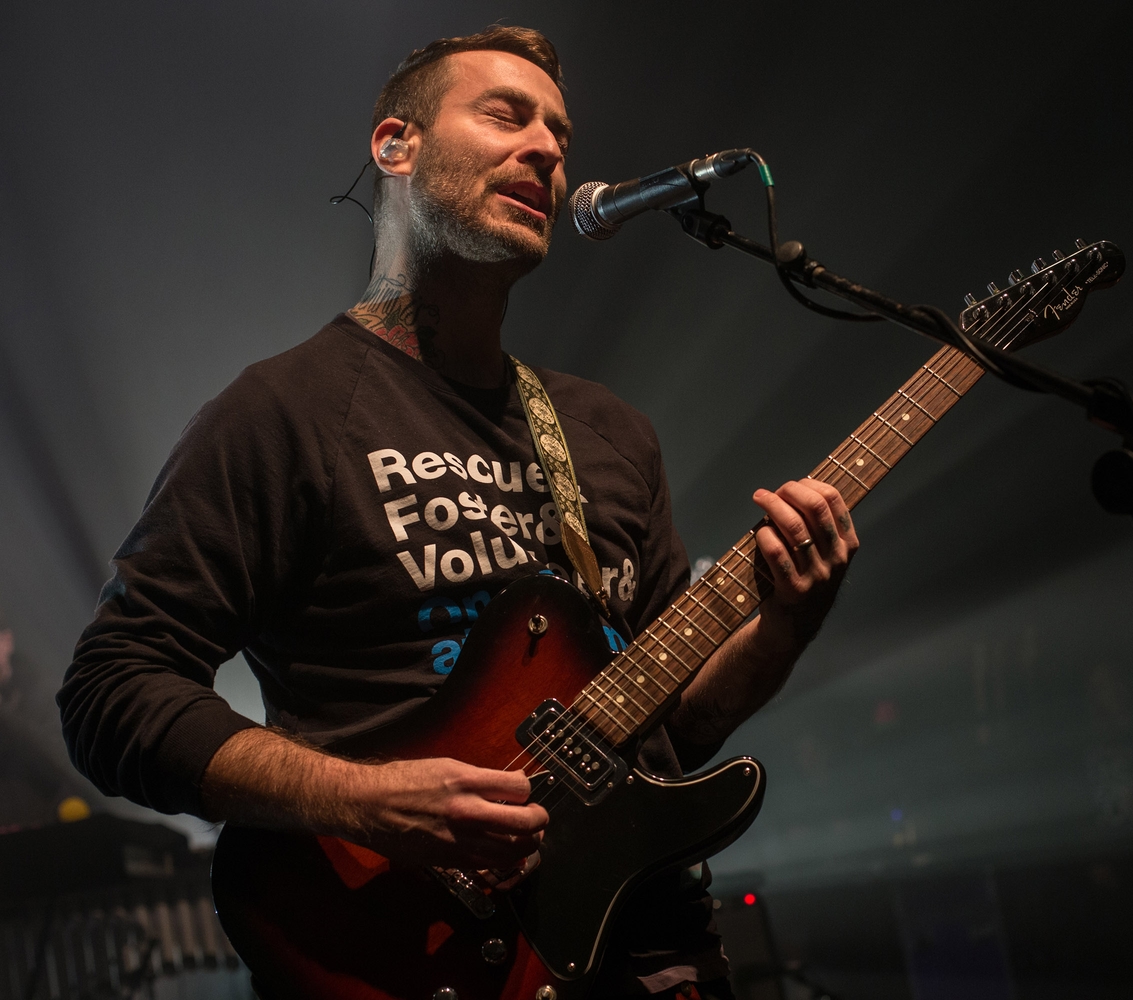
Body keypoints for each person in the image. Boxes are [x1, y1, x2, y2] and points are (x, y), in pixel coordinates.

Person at [57, 25, 858, 999]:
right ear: (396, 145)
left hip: (655, 957)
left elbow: (669, 737)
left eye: (560, 132)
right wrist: (364, 799)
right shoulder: (284, 413)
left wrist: (783, 628)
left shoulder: (608, 434)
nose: (549, 149)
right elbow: (111, 688)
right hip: (415, 957)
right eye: (506, 114)